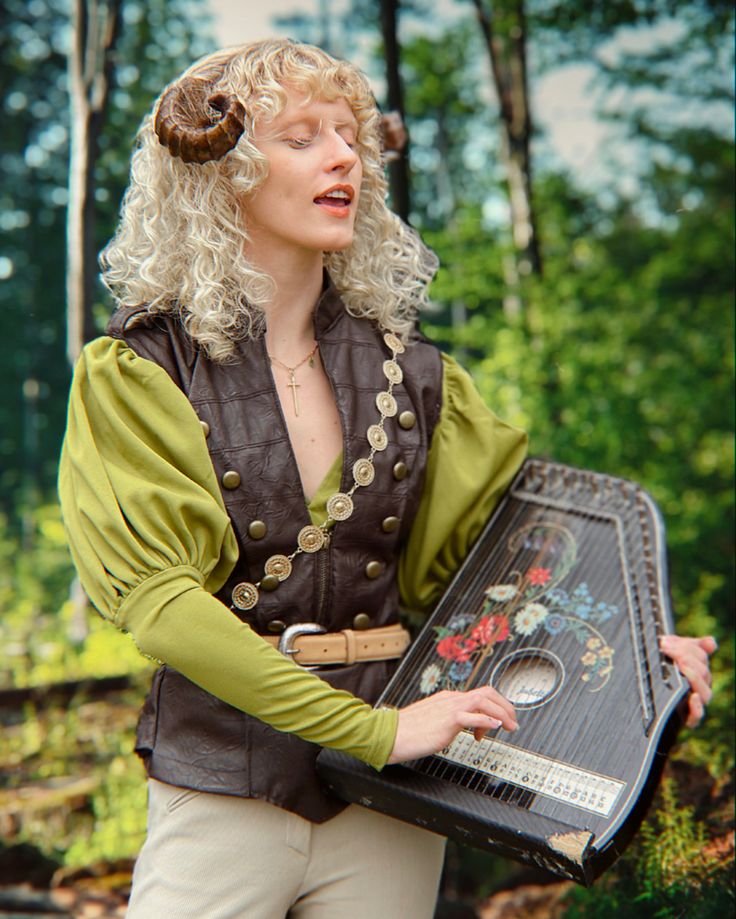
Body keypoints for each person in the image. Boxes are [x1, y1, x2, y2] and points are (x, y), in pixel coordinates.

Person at [58, 39, 716, 919]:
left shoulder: (419, 379)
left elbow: (512, 571)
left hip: (397, 801)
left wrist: (638, 664)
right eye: (301, 137)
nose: (343, 158)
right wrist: (375, 730)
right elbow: (162, 607)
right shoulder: (139, 372)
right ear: (224, 173)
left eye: (349, 136)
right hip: (227, 785)